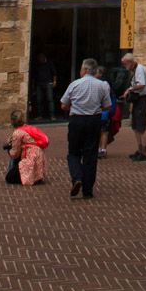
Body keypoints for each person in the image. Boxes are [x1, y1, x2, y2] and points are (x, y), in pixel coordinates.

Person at [60, 56, 111, 199]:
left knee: (74, 152)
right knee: (90, 155)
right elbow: (107, 106)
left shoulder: (74, 85)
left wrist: (75, 104)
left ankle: (77, 178)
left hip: (77, 120)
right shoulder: (101, 85)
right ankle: (87, 190)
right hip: (93, 120)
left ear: (84, 69)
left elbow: (63, 104)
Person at [121, 53, 146, 162]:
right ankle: (139, 149)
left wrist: (130, 90)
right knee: (136, 126)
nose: (124, 66)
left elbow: (141, 84)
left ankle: (144, 152)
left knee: (141, 126)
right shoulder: (134, 70)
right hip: (137, 99)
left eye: (125, 64)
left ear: (130, 62)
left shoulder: (139, 69)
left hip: (142, 99)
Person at [5, 111, 48, 186]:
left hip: (30, 157)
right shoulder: (29, 128)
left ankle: (28, 177)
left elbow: (15, 154)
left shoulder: (18, 132)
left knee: (9, 178)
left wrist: (9, 150)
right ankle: (36, 176)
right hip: (39, 155)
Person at [32, 52, 57, 120]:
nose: (40, 61)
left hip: (48, 83)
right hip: (39, 83)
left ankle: (52, 115)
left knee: (50, 99)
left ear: (44, 58)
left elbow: (54, 73)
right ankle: (40, 115)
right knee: (39, 100)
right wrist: (33, 86)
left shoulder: (49, 63)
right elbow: (34, 76)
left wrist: (54, 82)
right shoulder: (37, 65)